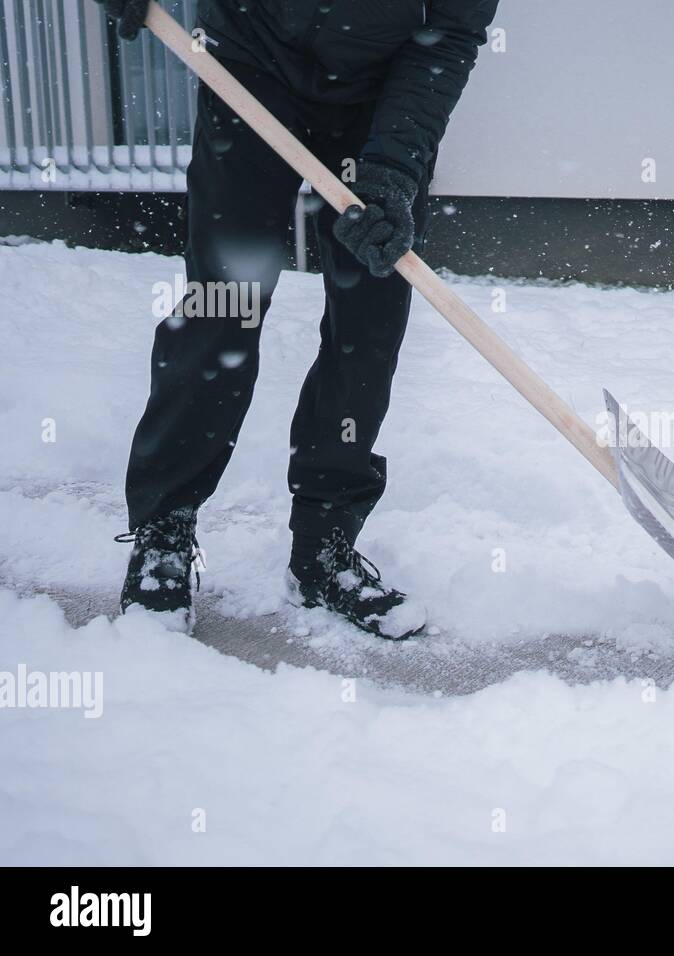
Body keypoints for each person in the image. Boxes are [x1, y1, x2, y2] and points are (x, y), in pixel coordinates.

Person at [94, 0, 500, 638]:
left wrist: (393, 172)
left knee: (370, 320)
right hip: (252, 66)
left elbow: (448, 35)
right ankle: (163, 533)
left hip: (379, 98)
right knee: (223, 306)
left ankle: (323, 548)